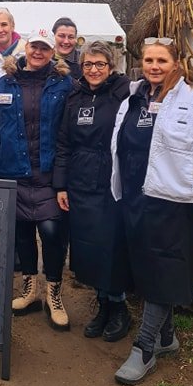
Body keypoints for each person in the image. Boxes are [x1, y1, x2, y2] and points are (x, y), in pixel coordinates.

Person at [110, 37, 193, 385]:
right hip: (136, 198)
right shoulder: (134, 99)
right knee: (148, 269)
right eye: (149, 59)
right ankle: (167, 337)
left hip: (174, 203)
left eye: (162, 60)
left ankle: (145, 348)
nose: (154, 66)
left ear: (176, 64)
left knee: (163, 270)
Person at [0, 30, 73, 330]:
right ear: (26, 47)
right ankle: (30, 289)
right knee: (21, 233)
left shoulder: (64, 83)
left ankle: (53, 293)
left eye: (45, 48)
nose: (39, 52)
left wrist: (65, 175)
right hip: (12, 169)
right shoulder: (6, 82)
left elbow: (69, 131)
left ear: (51, 51)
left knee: (52, 231)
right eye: (35, 47)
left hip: (46, 173)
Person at [53, 41, 132, 342]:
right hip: (81, 179)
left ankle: (119, 306)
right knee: (89, 246)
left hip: (113, 180)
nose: (94, 70)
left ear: (111, 67)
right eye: (88, 65)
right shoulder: (75, 95)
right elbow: (63, 142)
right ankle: (102, 304)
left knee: (112, 245)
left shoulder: (124, 92)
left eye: (100, 64)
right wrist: (61, 184)